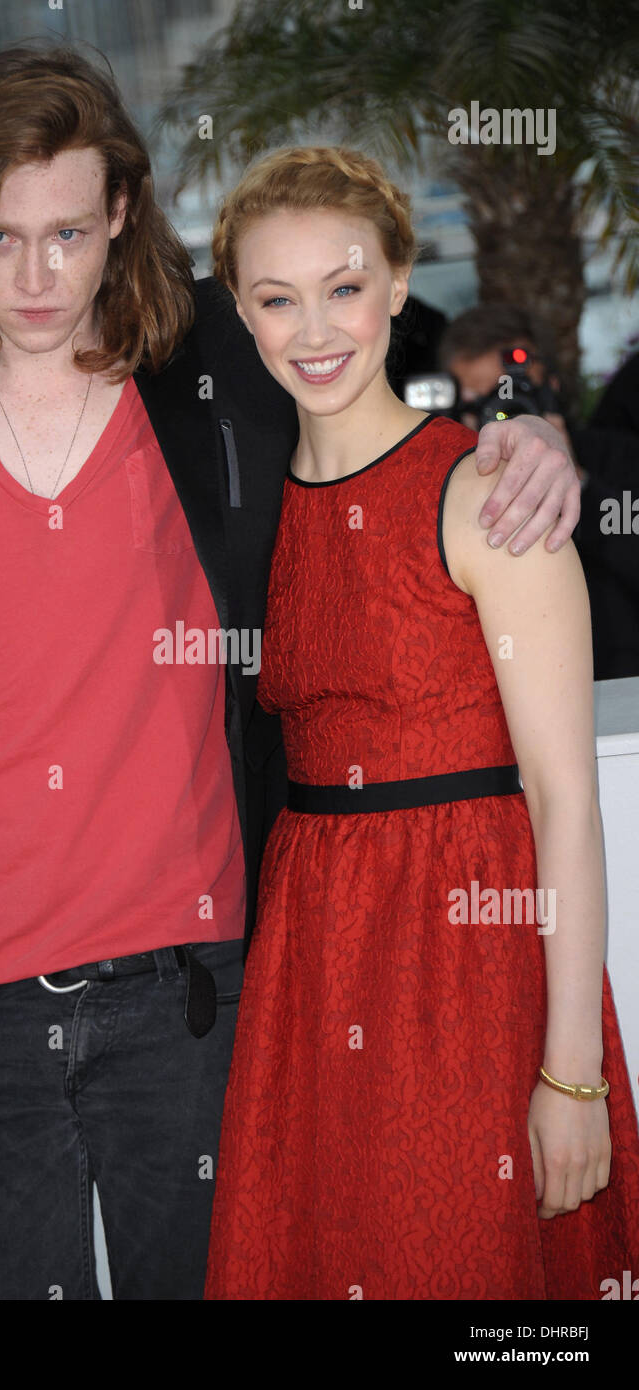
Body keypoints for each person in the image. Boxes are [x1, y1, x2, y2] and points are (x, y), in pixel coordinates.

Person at [0, 47, 581, 1301]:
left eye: (67, 233)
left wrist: (528, 433)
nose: (36, 278)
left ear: (120, 213)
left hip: (201, 1004)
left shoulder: (214, 363)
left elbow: (367, 369)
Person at [202, 146, 639, 1301]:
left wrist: (573, 1075)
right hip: (310, 968)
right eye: (277, 298)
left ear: (398, 283)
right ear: (238, 308)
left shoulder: (490, 494)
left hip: (471, 966)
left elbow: (565, 800)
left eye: (344, 287)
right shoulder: (247, 514)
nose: (315, 329)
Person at [441, 307, 639, 680]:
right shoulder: (443, 493)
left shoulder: (616, 456)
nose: (505, 413)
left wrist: (578, 481)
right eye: (486, 404)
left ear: (553, 387)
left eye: (517, 395)